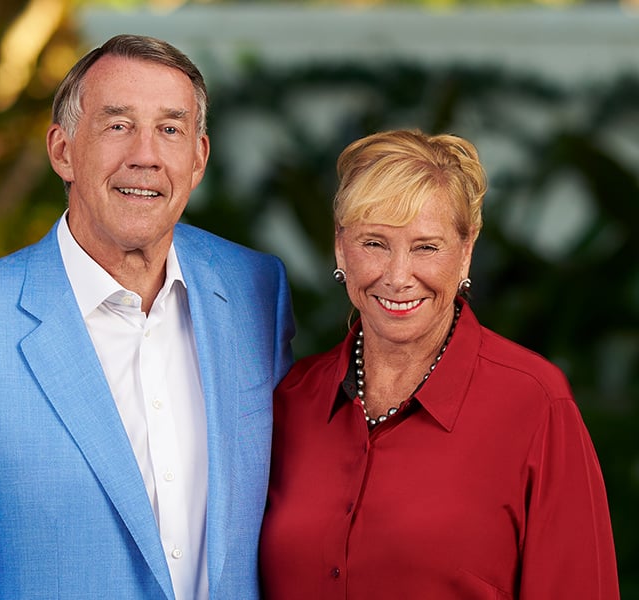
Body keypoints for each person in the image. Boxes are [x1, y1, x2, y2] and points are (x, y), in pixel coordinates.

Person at [0, 34, 294, 600]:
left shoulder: (255, 291)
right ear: (63, 150)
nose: (145, 154)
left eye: (170, 129)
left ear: (198, 159)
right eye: (117, 125)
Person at [259, 129, 619, 599]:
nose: (397, 276)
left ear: (466, 251)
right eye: (374, 243)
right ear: (340, 246)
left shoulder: (534, 403)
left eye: (426, 247)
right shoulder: (290, 400)